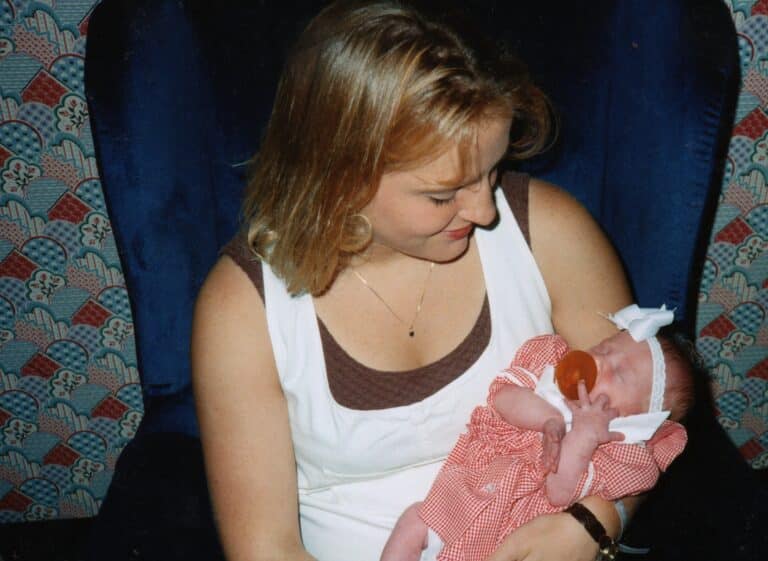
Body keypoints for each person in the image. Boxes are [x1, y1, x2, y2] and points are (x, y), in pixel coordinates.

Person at [190, 2, 640, 560]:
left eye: (492, 170)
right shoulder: (243, 308)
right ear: (338, 176)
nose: (485, 211)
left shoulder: (550, 231)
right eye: (443, 194)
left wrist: (594, 523)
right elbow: (267, 549)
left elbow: (646, 416)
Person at [380, 310, 694, 561]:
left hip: (508, 540)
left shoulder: (616, 452)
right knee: (415, 519)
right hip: (461, 503)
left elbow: (559, 492)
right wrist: (549, 419)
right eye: (604, 348)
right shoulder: (549, 371)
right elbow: (501, 398)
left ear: (639, 420)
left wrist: (583, 436)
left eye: (620, 374)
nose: (599, 362)